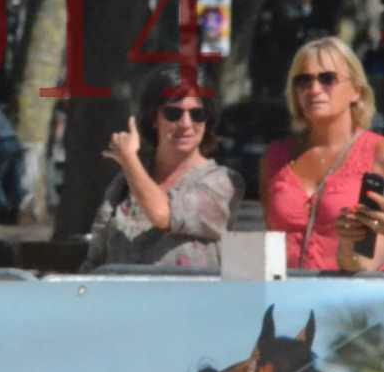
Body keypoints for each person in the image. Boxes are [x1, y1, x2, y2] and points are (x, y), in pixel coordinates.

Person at [82, 68, 243, 271]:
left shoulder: (223, 182)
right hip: (120, 300)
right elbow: (95, 259)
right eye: (173, 113)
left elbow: (163, 215)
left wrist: (130, 160)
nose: (186, 124)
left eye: (197, 114)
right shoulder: (123, 183)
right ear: (153, 118)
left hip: (189, 302)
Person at [264, 36, 384, 271]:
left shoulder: (379, 152)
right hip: (285, 301)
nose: (314, 89)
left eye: (328, 78)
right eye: (303, 80)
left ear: (356, 91)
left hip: (355, 302)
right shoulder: (275, 157)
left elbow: (365, 263)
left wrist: (350, 243)